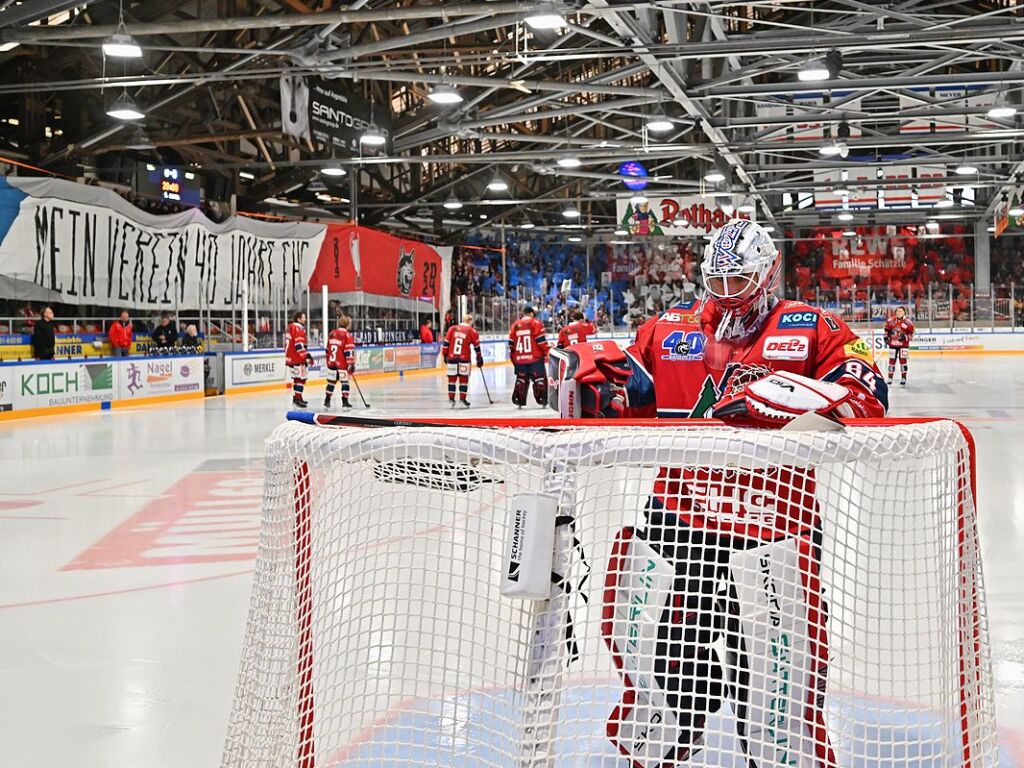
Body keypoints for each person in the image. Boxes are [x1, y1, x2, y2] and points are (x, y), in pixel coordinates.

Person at [555, 219, 888, 768]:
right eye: (719, 281)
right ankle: (661, 752)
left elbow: (868, 393)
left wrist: (793, 400)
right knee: (662, 672)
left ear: (769, 273)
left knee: (772, 686)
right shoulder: (667, 329)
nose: (729, 294)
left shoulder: (812, 326)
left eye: (741, 281)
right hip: (678, 523)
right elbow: (628, 397)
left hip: (775, 532)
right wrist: (595, 386)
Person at [508, 305, 550, 407]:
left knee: (521, 379)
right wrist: (547, 351)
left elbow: (511, 343)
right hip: (535, 358)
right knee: (539, 379)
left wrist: (515, 357)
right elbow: (540, 341)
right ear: (531, 314)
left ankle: (519, 400)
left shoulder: (515, 324)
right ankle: (542, 400)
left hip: (520, 359)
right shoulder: (535, 323)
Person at [441, 313, 483, 408]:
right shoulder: (471, 330)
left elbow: (446, 343)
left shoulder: (452, 329)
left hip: (452, 358)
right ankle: (462, 399)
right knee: (463, 380)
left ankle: (451, 399)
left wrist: (445, 355)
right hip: (464, 359)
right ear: (469, 321)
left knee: (452, 379)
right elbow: (477, 346)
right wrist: (479, 358)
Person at [324, 315, 356, 409]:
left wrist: (329, 361)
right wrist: (350, 363)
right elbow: (348, 351)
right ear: (347, 324)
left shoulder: (332, 333)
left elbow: (327, 349)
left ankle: (327, 400)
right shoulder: (347, 335)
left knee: (331, 382)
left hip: (331, 363)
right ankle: (345, 402)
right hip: (342, 364)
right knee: (345, 382)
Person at [285, 311, 314, 409]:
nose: (305, 319)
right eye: (303, 317)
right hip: (297, 358)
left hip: (290, 357)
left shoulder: (290, 327)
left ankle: (298, 397)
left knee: (298, 378)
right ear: (298, 319)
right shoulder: (298, 328)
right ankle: (297, 399)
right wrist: (305, 356)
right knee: (300, 379)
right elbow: (298, 345)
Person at [884, 306, 915, 387]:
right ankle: (890, 378)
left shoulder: (908, 323)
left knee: (903, 362)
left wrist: (905, 337)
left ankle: (903, 378)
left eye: (900, 311)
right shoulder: (891, 321)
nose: (898, 313)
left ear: (904, 312)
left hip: (903, 345)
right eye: (897, 311)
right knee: (891, 362)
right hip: (893, 344)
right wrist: (886, 337)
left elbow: (911, 334)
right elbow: (886, 330)